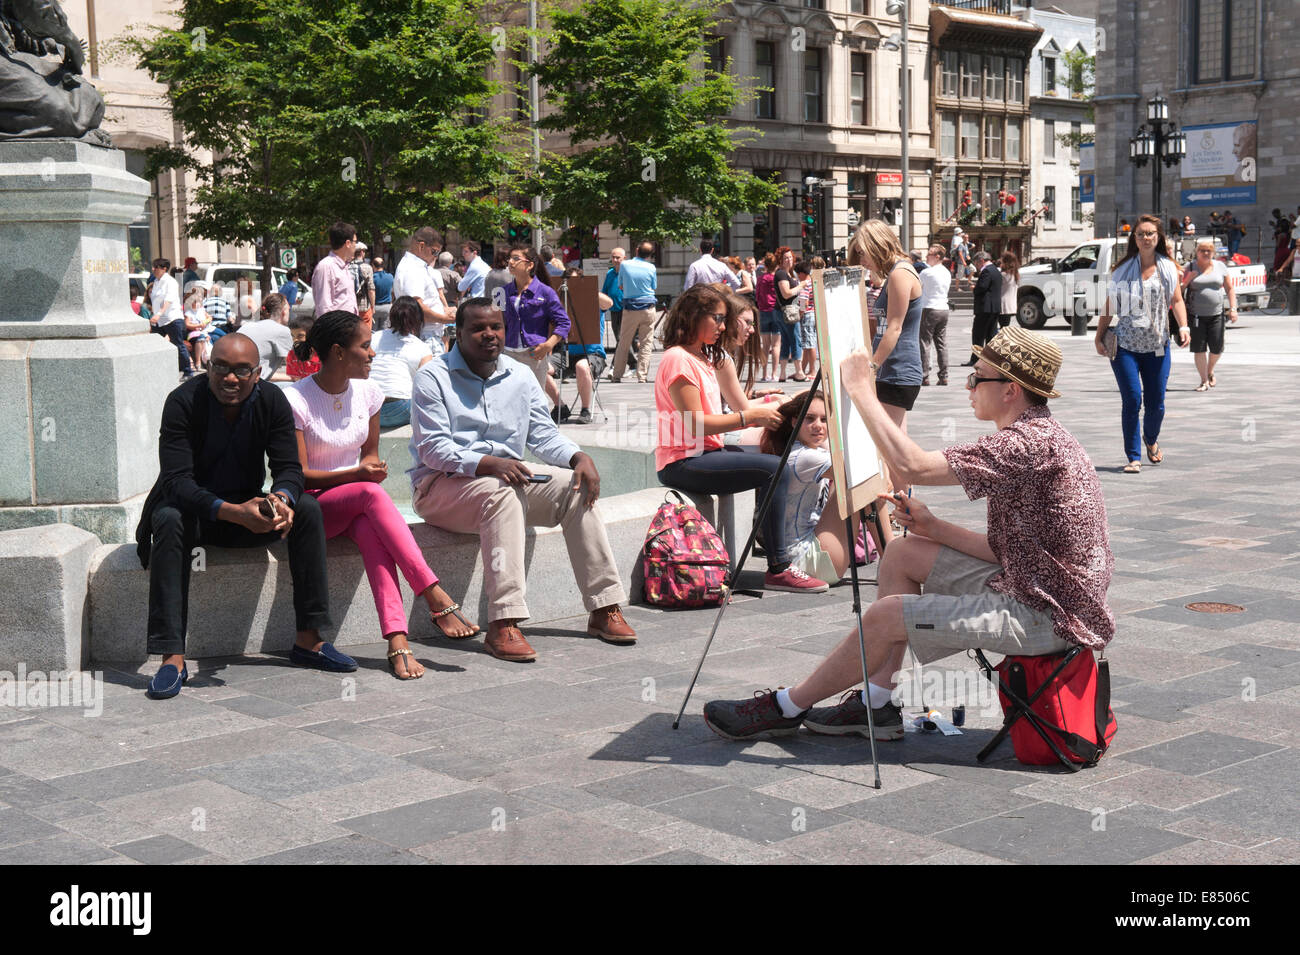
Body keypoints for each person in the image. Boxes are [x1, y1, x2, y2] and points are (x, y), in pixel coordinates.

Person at [703, 326, 1115, 742]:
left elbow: (914, 466)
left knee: (885, 616)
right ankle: (876, 705)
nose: (968, 385)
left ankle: (786, 707)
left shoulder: (1027, 445)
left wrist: (862, 389)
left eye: (977, 377)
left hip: (1049, 617)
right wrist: (933, 528)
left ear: (1011, 390)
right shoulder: (1039, 436)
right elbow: (1006, 551)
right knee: (900, 553)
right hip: (1038, 588)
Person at [409, 297, 637, 662]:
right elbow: (433, 450)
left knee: (575, 487)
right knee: (501, 492)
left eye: (495, 327)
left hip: (502, 483)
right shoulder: (433, 377)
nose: (489, 335)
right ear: (458, 333)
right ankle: (503, 622)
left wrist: (579, 456)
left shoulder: (518, 375)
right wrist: (489, 463)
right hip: (441, 487)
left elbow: (543, 436)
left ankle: (603, 607)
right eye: (478, 328)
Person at [135, 333, 349, 700]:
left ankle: (309, 640)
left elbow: (289, 469)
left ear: (257, 373)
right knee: (168, 518)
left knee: (308, 509)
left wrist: (280, 500)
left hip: (246, 509)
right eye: (220, 368)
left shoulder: (272, 400)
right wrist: (232, 513)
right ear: (207, 366)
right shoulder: (182, 402)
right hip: (195, 512)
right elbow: (176, 482)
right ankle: (173, 657)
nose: (229, 378)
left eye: (241, 371)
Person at [286, 310, 478, 680]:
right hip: (313, 510)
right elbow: (297, 475)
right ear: (339, 353)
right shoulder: (296, 399)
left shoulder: (370, 393)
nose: (373, 354)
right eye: (365, 346)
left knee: (373, 532)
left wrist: (369, 468)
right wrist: (358, 475)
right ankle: (431, 591)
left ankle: (396, 639)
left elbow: (369, 454)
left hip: (354, 502)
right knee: (371, 498)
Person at [653, 284, 829, 594]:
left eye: (724, 320)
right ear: (694, 317)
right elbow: (695, 424)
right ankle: (779, 566)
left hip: (702, 454)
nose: (723, 327)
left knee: (772, 465)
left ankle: (771, 545)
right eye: (718, 319)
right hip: (683, 461)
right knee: (775, 468)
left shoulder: (702, 359)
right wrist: (752, 417)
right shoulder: (679, 360)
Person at [1095, 214, 1191, 473]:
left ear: (1158, 237)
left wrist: (1183, 326)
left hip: (1158, 345)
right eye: (1141, 234)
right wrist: (1099, 334)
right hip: (1125, 346)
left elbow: (1177, 301)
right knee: (1132, 400)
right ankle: (1133, 457)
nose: (1146, 238)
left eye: (1150, 234)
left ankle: (1151, 437)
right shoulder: (1122, 269)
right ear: (1134, 238)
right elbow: (1111, 304)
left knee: (1157, 402)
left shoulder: (1168, 268)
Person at [851, 219, 924, 497]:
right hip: (896, 370)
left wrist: (871, 367)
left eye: (862, 252)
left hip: (897, 370)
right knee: (897, 443)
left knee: (889, 446)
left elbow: (894, 327)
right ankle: (906, 505)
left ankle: (904, 506)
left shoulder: (900, 273)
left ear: (875, 245)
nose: (861, 258)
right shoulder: (897, 272)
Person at [759, 392, 857, 585]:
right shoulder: (806, 457)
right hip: (808, 561)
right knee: (859, 486)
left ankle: (888, 552)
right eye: (810, 419)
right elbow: (858, 471)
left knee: (855, 481)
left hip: (799, 558)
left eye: (824, 419)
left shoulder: (798, 449)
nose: (818, 425)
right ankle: (888, 553)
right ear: (794, 422)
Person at [502, 245, 568, 411]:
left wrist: (548, 345)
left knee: (535, 403)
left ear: (530, 265)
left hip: (534, 355)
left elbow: (563, 323)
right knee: (509, 401)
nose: (510, 262)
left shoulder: (545, 292)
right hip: (508, 354)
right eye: (509, 258)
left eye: (516, 259)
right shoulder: (502, 292)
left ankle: (538, 435)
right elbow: (497, 323)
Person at [1182, 237, 1238, 391]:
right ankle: (1204, 380)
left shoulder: (1220, 266)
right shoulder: (1190, 266)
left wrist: (1233, 309)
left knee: (1216, 347)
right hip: (1196, 315)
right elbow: (1179, 291)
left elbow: (1229, 289)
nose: (1205, 253)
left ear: (1213, 253)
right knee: (1199, 348)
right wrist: (1188, 279)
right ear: (1197, 252)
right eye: (1202, 251)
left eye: (1209, 251)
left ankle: (1210, 369)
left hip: (1217, 314)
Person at [370, 295, 434, 427]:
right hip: (402, 407)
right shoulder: (423, 348)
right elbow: (424, 386)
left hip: (369, 407)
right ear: (418, 319)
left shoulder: (373, 338)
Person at [559, 266, 609, 425]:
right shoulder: (562, 302)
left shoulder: (593, 300)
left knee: (582, 366)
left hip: (593, 354)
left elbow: (609, 303)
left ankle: (585, 409)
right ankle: (560, 406)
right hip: (567, 353)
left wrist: (586, 289)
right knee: (542, 366)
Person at [391, 227, 450, 355]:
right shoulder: (412, 268)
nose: (435, 257)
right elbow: (416, 308)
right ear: (421, 246)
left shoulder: (418, 266)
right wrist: (446, 318)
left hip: (428, 336)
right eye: (434, 252)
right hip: (425, 338)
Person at [611, 241, 658, 384]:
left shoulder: (625, 265)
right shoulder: (651, 267)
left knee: (623, 342)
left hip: (630, 308)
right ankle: (642, 376)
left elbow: (620, 285)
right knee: (646, 343)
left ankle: (617, 374)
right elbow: (653, 287)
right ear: (650, 255)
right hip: (648, 307)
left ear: (637, 250)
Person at [148, 257, 194, 378]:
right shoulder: (156, 282)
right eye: (153, 266)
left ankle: (188, 370)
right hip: (159, 320)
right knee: (157, 344)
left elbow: (168, 300)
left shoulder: (171, 282)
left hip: (172, 318)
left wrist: (158, 314)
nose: (153, 269)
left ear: (164, 269)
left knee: (177, 344)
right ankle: (162, 368)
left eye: (156, 267)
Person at [239, 292, 296, 381]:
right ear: (284, 312)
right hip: (252, 385)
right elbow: (297, 368)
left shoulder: (247, 325)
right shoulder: (282, 331)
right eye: (289, 309)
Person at [918, 244, 951, 386]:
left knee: (925, 342)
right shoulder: (946, 272)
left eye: (929, 254)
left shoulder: (927, 273)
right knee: (941, 343)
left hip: (929, 308)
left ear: (937, 256)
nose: (926, 257)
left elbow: (918, 288)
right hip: (943, 308)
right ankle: (943, 375)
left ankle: (924, 376)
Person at [312, 222, 359, 318]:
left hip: (350, 327)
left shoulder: (344, 266)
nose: (356, 246)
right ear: (348, 243)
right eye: (355, 242)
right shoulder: (326, 267)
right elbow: (324, 307)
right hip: (337, 329)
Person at [773, 246, 802, 382]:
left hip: (784, 311)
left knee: (786, 341)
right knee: (795, 340)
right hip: (787, 312)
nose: (789, 260)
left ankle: (783, 373)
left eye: (790, 257)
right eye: (785, 258)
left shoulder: (790, 273)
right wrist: (801, 286)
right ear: (780, 260)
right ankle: (799, 371)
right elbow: (786, 293)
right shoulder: (781, 274)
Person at [967, 251, 1002, 359]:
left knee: (978, 334)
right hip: (994, 307)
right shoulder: (995, 270)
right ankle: (990, 358)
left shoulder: (986, 271)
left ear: (981, 261)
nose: (977, 267)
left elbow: (982, 287)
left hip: (985, 308)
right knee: (991, 335)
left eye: (977, 264)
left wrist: (974, 288)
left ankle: (976, 358)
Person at [793, 260, 817, 381]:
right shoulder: (813, 281)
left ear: (802, 273)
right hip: (813, 313)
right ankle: (803, 369)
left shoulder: (804, 284)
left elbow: (804, 301)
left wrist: (800, 314)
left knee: (809, 343)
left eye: (797, 273)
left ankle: (812, 370)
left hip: (807, 314)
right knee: (808, 343)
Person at [183, 283, 212, 371]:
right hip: (191, 333)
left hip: (202, 331)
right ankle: (198, 363)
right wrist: (198, 325)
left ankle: (206, 362)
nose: (198, 303)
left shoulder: (201, 310)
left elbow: (210, 317)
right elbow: (187, 324)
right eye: (195, 301)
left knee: (213, 337)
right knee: (201, 338)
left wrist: (204, 322)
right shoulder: (188, 312)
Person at [285, 313, 319, 381]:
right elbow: (296, 380)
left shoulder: (322, 356)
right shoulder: (292, 355)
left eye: (300, 336)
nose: (295, 340)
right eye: (293, 336)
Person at [601, 247, 625, 344]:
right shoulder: (610, 273)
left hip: (626, 308)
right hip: (614, 309)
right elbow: (605, 290)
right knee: (618, 337)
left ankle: (620, 359)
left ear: (624, 258)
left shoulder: (627, 272)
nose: (615, 260)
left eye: (618, 257)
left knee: (622, 338)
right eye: (613, 257)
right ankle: (624, 358)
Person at [999, 251, 1020, 330]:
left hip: (1002, 305)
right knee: (1005, 327)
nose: (1000, 261)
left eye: (1002, 260)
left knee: (1002, 328)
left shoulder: (1003, 275)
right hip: (1010, 305)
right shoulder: (1015, 274)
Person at [371, 258, 393, 329]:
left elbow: (370, 292)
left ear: (373, 266)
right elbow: (393, 291)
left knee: (373, 332)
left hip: (375, 307)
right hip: (387, 307)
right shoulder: (390, 276)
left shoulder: (372, 278)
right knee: (384, 332)